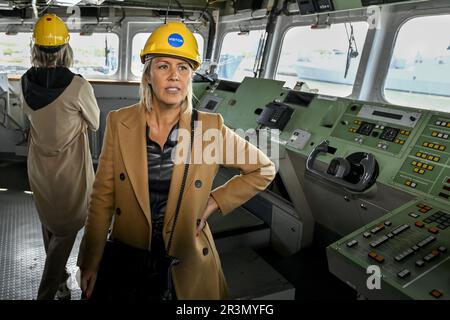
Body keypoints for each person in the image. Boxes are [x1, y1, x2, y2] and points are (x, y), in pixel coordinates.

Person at [77, 21, 276, 300]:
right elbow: (102, 198)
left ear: (190, 77)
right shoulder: (120, 122)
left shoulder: (210, 128)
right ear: (148, 75)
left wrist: (214, 202)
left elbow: (263, 168)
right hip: (130, 254)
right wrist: (90, 260)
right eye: (163, 66)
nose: (174, 76)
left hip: (186, 257)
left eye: (183, 67)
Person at [20, 13, 100, 300]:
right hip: (70, 170)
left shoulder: (25, 81)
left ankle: (63, 281)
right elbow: (94, 123)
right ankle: (47, 290)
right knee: (66, 230)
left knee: (50, 224)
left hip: (39, 168)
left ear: (35, 49)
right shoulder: (78, 86)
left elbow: (32, 117)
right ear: (66, 49)